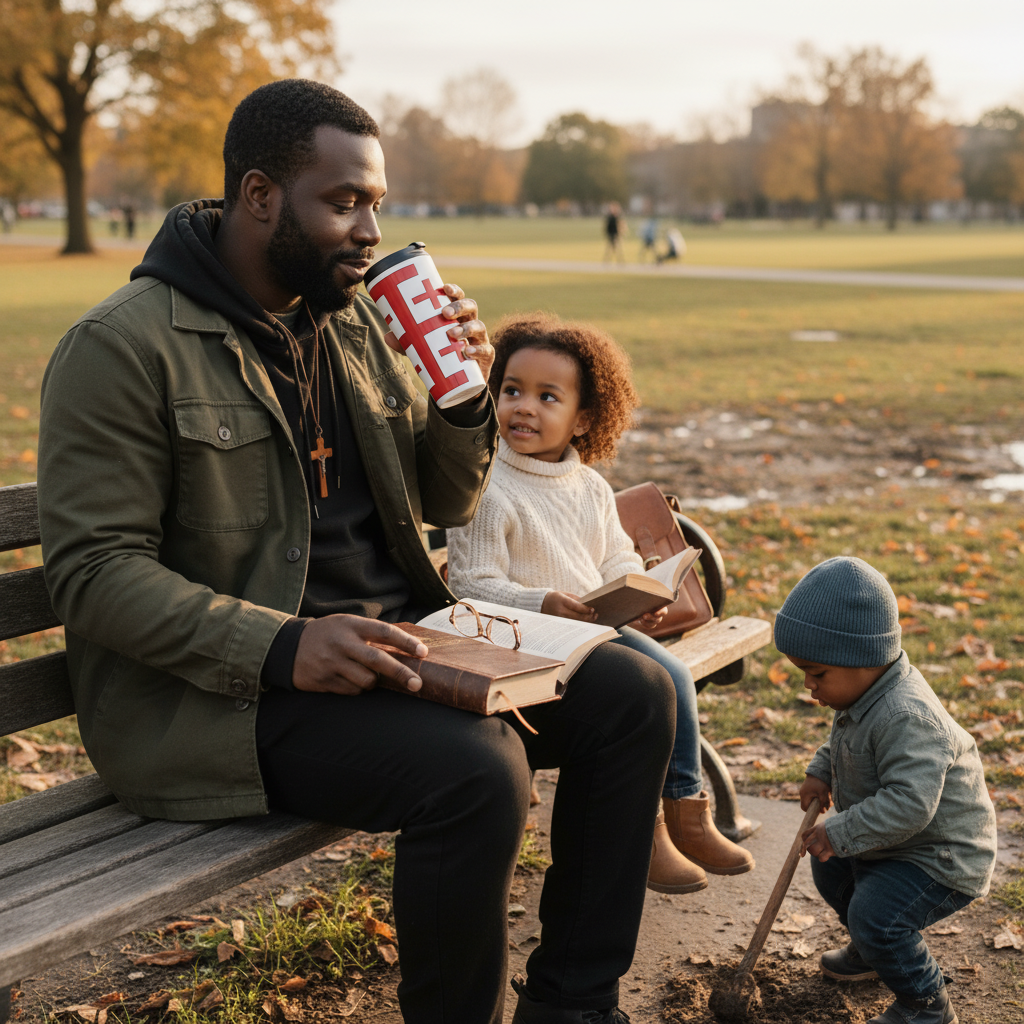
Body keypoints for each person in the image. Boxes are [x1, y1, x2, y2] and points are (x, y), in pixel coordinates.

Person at [37, 79, 675, 1024]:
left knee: (636, 693)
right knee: (478, 766)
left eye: (375, 203)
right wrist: (283, 645)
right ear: (260, 196)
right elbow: (93, 577)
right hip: (231, 696)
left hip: (402, 642)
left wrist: (463, 405)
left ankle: (573, 1007)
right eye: (344, 204)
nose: (370, 231)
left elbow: (441, 498)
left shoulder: (355, 325)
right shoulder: (124, 348)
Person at [446, 314, 755, 895]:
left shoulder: (585, 484)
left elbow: (615, 555)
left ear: (584, 417)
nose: (524, 408)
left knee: (671, 676)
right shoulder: (485, 482)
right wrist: (542, 602)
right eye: (511, 391)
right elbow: (470, 585)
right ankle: (656, 829)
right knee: (660, 675)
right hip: (522, 640)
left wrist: (641, 592)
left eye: (547, 397)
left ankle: (684, 810)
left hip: (591, 631)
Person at [775, 557, 996, 1024]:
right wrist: (822, 770)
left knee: (878, 916)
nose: (809, 687)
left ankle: (925, 1004)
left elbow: (911, 804)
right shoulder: (862, 693)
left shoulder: (906, 716)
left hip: (939, 854)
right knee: (831, 872)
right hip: (896, 841)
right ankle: (873, 951)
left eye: (816, 674)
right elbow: (844, 737)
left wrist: (840, 831)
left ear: (864, 659)